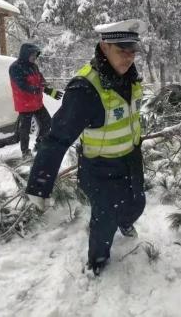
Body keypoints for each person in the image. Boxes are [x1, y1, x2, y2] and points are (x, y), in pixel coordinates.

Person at [24, 19, 147, 276]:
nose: (128, 58)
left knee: (137, 203)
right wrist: (40, 184)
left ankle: (123, 221)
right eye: (121, 51)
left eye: (132, 51)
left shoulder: (131, 78)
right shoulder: (85, 89)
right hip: (100, 168)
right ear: (104, 48)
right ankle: (97, 262)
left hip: (130, 159)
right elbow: (57, 138)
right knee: (105, 221)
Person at [9, 43, 63, 159]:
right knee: (25, 130)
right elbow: (23, 86)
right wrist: (40, 89)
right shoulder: (15, 67)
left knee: (48, 122)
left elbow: (40, 79)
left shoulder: (34, 66)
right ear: (25, 54)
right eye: (32, 54)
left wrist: (49, 90)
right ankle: (25, 152)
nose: (34, 57)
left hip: (37, 102)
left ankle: (40, 144)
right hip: (25, 104)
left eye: (35, 54)